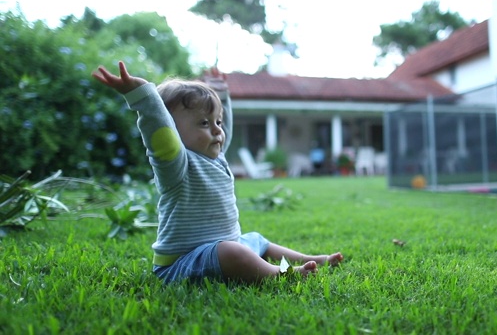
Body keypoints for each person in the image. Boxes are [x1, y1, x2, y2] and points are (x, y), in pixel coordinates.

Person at [92, 61, 343, 284]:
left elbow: (225, 130)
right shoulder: (175, 164)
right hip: (182, 263)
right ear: (173, 130)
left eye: (217, 122)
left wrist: (221, 95)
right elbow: (160, 131)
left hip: (225, 247)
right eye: (203, 123)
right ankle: (282, 275)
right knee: (233, 252)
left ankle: (311, 258)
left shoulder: (216, 157)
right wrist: (144, 97)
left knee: (255, 240)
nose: (217, 131)